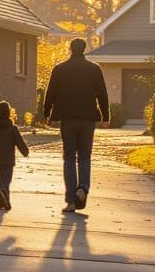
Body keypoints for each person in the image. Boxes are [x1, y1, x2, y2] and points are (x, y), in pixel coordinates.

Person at [40, 37, 110, 213]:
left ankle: (71, 200)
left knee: (69, 157)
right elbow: (102, 94)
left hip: (68, 118)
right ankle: (83, 188)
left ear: (70, 49)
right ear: (84, 49)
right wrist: (105, 115)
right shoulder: (94, 69)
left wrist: (46, 113)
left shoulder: (60, 69)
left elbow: (51, 93)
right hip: (87, 119)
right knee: (85, 157)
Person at [0, 100, 30, 210]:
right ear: (9, 113)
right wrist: (25, 151)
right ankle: (4, 192)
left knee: (0, 178)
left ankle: (1, 202)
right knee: (7, 179)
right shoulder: (13, 129)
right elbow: (19, 142)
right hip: (9, 159)